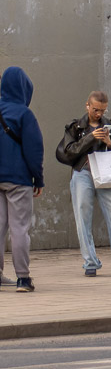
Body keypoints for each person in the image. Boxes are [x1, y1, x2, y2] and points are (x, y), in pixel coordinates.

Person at [56, 91, 111, 277]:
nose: (98, 114)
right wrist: (91, 137)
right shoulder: (75, 127)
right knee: (82, 217)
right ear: (87, 105)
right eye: (95, 109)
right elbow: (68, 152)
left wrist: (109, 142)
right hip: (82, 172)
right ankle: (90, 263)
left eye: (102, 110)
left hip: (107, 174)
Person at [0, 67, 43, 292]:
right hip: (18, 180)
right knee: (19, 229)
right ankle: (23, 279)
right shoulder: (24, 114)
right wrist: (39, 179)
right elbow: (34, 150)